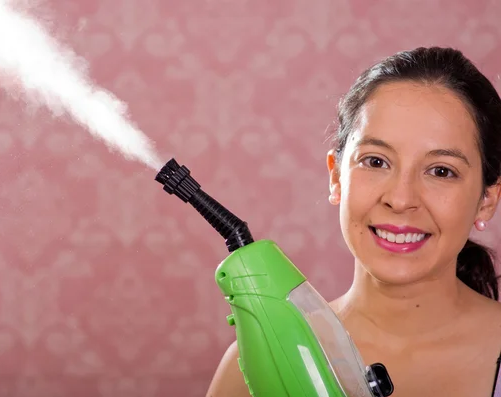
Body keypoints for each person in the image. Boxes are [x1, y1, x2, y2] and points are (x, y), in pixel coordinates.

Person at [205, 46, 501, 397]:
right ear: (336, 178)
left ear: (487, 200)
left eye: (441, 171)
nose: (401, 199)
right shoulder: (255, 366)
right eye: (376, 162)